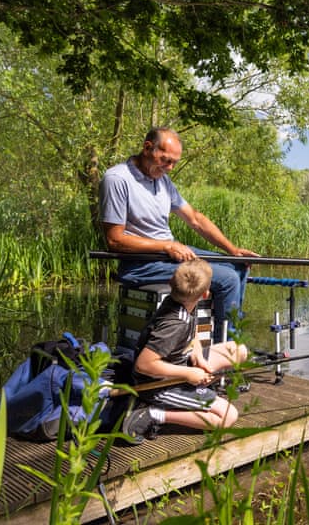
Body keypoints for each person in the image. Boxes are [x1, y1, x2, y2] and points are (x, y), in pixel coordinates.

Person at [99, 126, 258, 340]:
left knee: (237, 265)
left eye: (174, 162)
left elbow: (195, 219)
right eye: (166, 160)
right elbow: (114, 240)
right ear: (147, 148)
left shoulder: (162, 180)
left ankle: (219, 336)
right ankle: (227, 352)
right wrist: (167, 246)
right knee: (228, 278)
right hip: (140, 265)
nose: (170, 167)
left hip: (167, 254)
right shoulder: (117, 179)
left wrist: (233, 250)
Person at [122, 259, 249, 441]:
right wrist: (189, 374)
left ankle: (195, 388)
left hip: (178, 364)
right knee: (228, 416)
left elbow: (192, 334)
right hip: (158, 385)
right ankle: (154, 413)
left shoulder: (179, 302)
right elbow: (143, 365)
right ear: (206, 294)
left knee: (238, 350)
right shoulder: (174, 325)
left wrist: (199, 357)